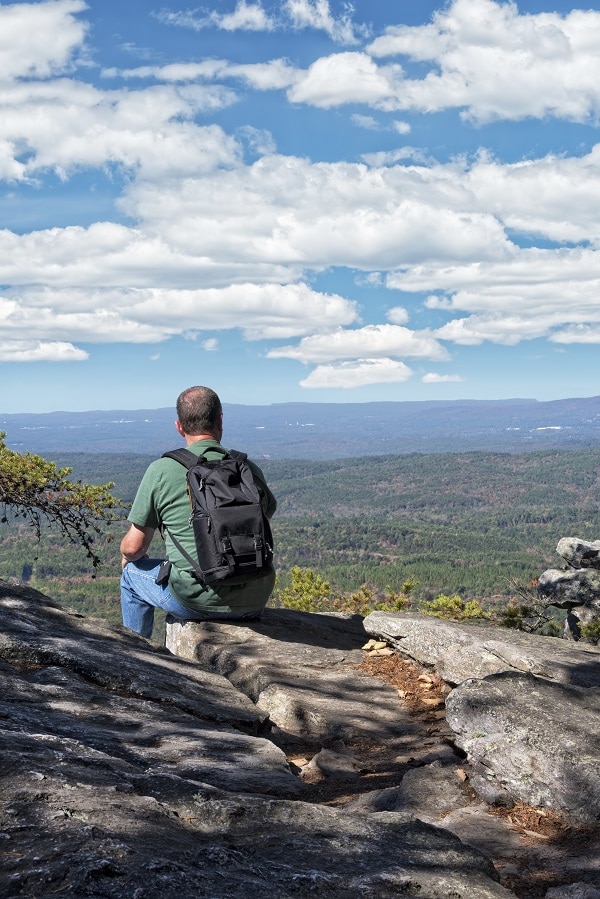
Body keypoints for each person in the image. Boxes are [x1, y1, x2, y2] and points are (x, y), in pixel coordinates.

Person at [120, 385, 276, 639]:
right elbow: (262, 520)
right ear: (220, 421)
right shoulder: (247, 468)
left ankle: (136, 655)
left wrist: (125, 554)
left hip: (193, 598)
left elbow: (134, 548)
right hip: (255, 598)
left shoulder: (162, 469)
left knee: (130, 577)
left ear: (179, 427)